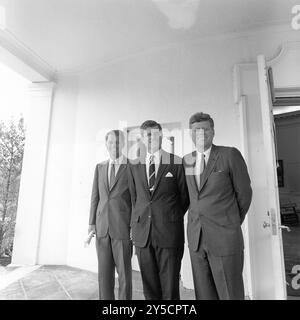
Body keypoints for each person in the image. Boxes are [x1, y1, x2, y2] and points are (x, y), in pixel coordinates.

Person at [183, 112, 252, 300]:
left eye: (205, 129)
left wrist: (231, 220)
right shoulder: (187, 160)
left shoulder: (229, 154)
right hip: (197, 238)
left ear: (213, 132)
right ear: (190, 134)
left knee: (230, 293)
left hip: (225, 237)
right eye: (196, 130)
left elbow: (244, 194)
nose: (200, 133)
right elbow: (190, 197)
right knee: (204, 294)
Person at [127, 120, 189, 300]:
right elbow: (134, 198)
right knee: (149, 286)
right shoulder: (134, 165)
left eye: (154, 134)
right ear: (142, 139)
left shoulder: (176, 162)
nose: (151, 138)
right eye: (147, 135)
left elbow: (184, 198)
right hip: (142, 234)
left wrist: (169, 216)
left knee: (170, 286)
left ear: (161, 136)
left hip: (169, 233)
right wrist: (134, 225)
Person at [88, 130, 132, 300]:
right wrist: (91, 223)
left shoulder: (132, 167)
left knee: (124, 276)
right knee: (104, 275)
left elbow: (136, 199)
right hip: (102, 228)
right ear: (106, 144)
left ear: (123, 144)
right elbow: (95, 197)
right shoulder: (100, 167)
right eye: (111, 142)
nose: (114, 145)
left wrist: (134, 226)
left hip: (122, 228)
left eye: (118, 142)